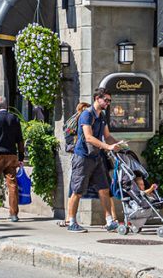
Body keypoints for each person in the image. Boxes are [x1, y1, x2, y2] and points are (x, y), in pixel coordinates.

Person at [66, 87, 123, 233]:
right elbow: (89, 137)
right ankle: (71, 221)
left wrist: (118, 145)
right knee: (77, 190)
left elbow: (107, 136)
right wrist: (107, 147)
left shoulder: (102, 116)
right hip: (83, 157)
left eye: (109, 100)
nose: (108, 103)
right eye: (106, 100)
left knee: (104, 189)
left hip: (96, 157)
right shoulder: (87, 114)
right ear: (98, 99)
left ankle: (110, 221)